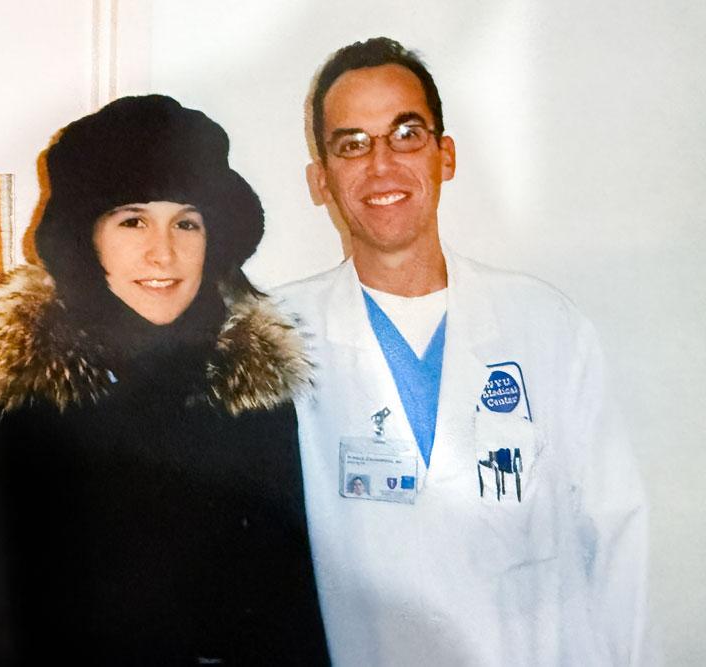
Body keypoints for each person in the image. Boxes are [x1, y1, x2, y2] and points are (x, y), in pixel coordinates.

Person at [0, 95, 330, 665]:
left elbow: (289, 620)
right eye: (132, 219)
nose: (163, 252)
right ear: (86, 240)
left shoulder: (253, 400)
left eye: (186, 222)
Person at [275, 37, 648, 665]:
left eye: (406, 134)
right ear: (322, 180)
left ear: (445, 155)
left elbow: (617, 537)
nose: (382, 163)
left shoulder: (545, 325)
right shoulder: (277, 338)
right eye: (353, 144)